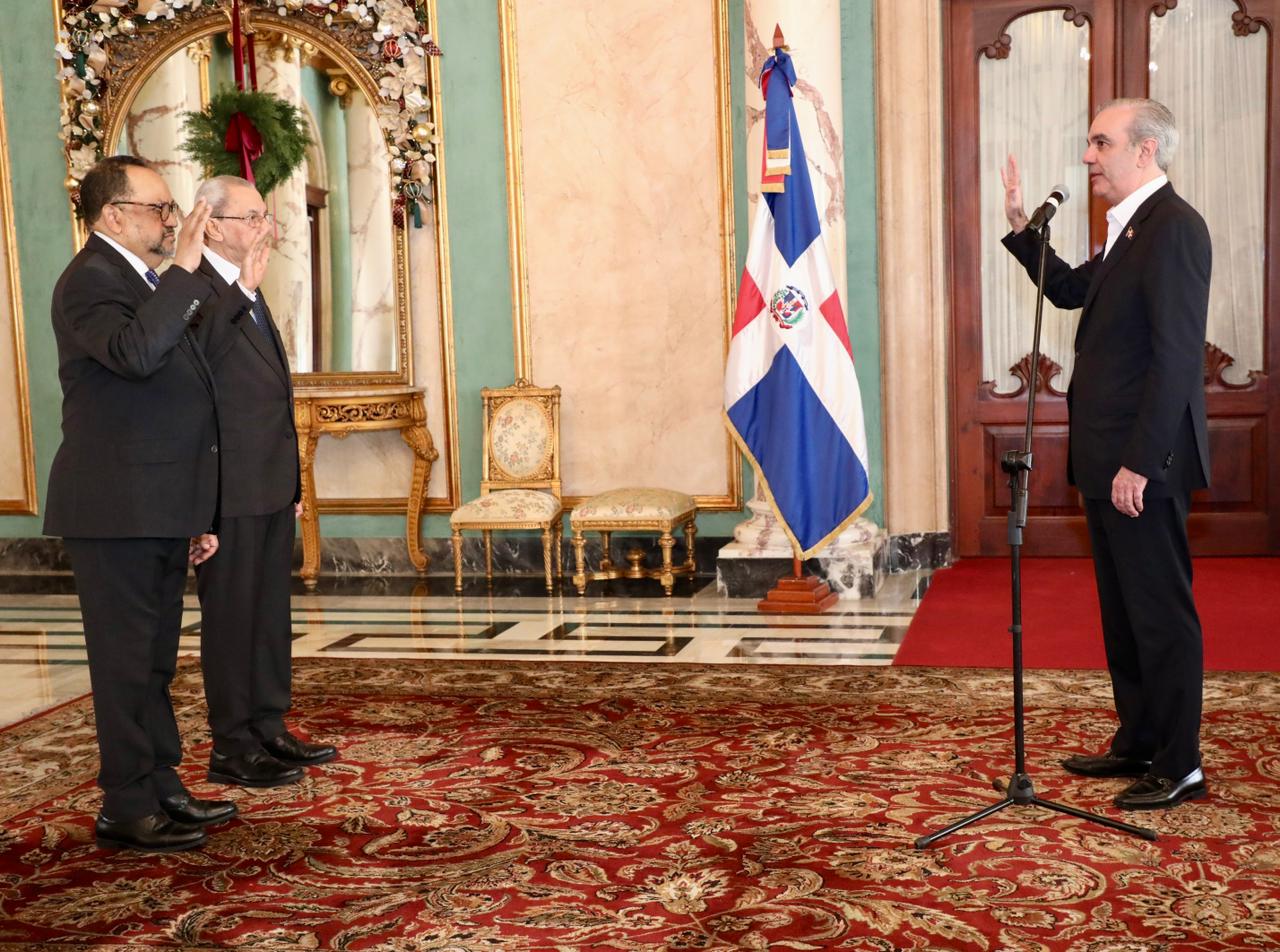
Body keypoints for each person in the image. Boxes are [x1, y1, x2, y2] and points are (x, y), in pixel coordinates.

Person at [1001, 99, 1212, 810]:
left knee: (1160, 612)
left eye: (1101, 142)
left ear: (1145, 151)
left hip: (1141, 463)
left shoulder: (1174, 229)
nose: (1088, 156)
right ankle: (1140, 741)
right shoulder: (1130, 232)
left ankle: (1180, 763)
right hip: (1108, 457)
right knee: (1123, 611)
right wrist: (1020, 229)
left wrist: (1141, 462)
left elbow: (1178, 360)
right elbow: (1067, 293)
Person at [46, 155, 238, 851]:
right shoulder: (90, 282)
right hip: (115, 506)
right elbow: (136, 353)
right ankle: (126, 805)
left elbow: (184, 385)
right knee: (125, 661)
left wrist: (195, 511)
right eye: (160, 208)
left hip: (156, 501)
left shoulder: (144, 279)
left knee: (156, 659)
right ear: (112, 216)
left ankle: (162, 786)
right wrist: (185, 271)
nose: (172, 219)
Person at [190, 175, 337, 788]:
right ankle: (231, 745)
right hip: (226, 491)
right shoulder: (195, 291)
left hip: (269, 485)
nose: (263, 229)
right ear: (213, 225)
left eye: (264, 218)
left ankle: (269, 726)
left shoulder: (246, 291)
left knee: (270, 615)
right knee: (230, 620)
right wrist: (243, 288)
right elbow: (199, 378)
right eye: (251, 218)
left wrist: (294, 484)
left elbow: (269, 394)